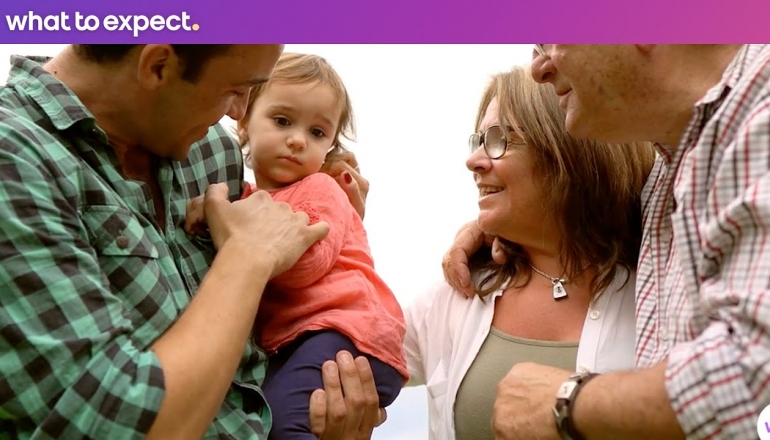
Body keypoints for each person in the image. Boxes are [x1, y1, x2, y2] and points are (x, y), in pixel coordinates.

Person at [0, 44, 381, 440]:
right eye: (235, 90)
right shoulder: (15, 157)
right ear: (158, 65)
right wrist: (248, 258)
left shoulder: (210, 148)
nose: (239, 113)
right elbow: (109, 424)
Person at [444, 44, 770, 440]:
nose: (539, 67)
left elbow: (758, 378)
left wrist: (568, 402)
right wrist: (506, 224)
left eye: (550, 38)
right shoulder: (671, 176)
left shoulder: (761, 115)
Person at [404, 66, 655, 440]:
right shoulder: (459, 292)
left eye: (499, 140)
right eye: (478, 141)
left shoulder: (660, 287)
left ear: (567, 151)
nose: (474, 161)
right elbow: (346, 348)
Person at [184, 52, 408, 439]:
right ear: (243, 123)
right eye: (283, 121)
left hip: (347, 333)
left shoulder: (323, 190)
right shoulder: (248, 198)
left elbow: (305, 265)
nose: (297, 140)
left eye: (317, 133)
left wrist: (222, 218)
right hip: (300, 341)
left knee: (282, 422)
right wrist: (216, 210)